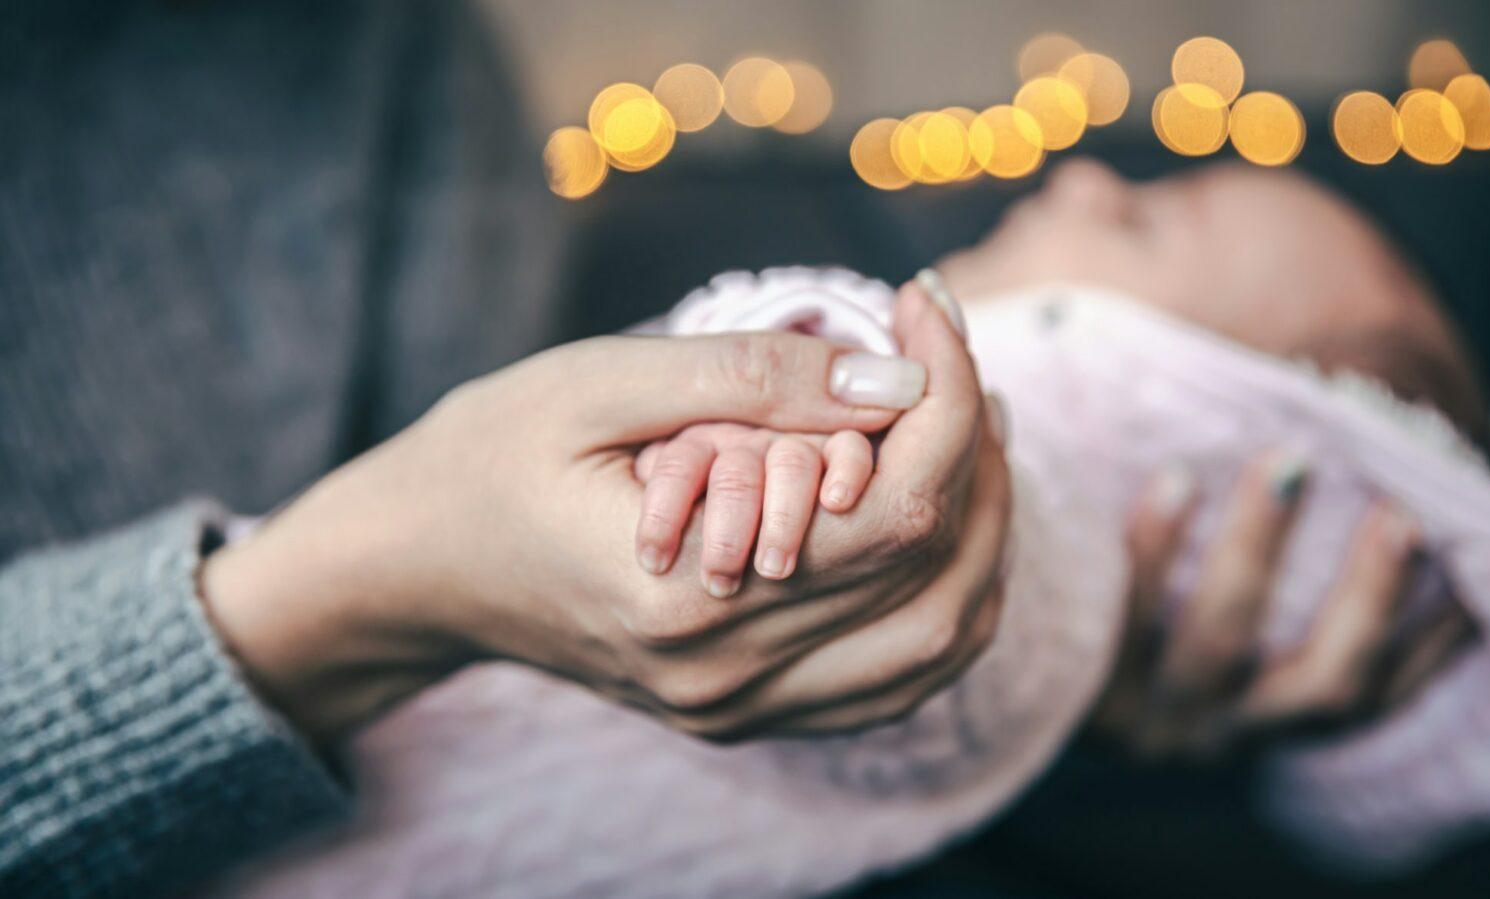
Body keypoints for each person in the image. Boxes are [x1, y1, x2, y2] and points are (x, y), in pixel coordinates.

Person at [207, 161, 1490, 898]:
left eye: (1142, 217)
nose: (1080, 173)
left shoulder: (1022, 543)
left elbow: (965, 603)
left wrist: (808, 396)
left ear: (1183, 410)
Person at [0, 4, 1009, 897]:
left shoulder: (404, 54)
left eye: (1146, 223)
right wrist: (368, 587)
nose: (1091, 183)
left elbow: (568, 491)